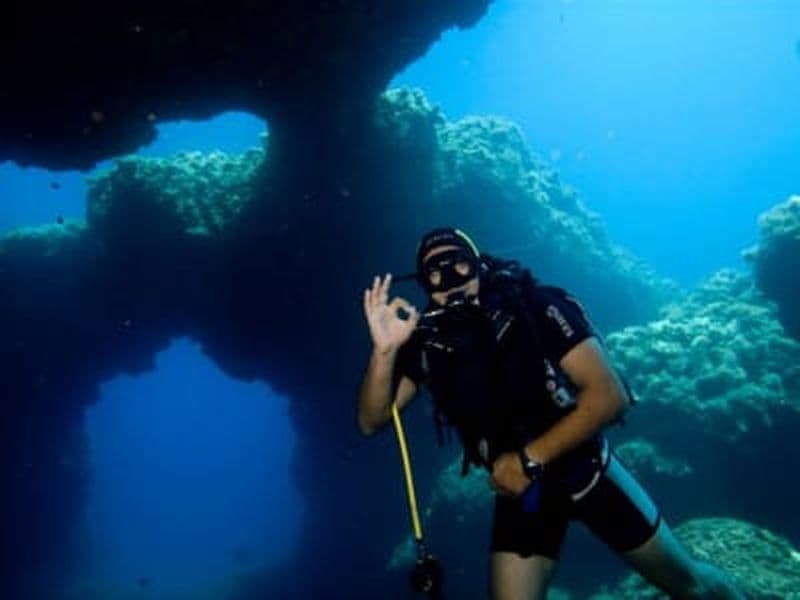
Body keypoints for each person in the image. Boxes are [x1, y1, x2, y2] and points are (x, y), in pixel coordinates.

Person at [358, 227, 743, 600]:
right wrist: (385, 352)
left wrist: (527, 460)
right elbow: (371, 421)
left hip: (583, 471)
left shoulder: (535, 306)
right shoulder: (430, 342)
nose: (450, 279)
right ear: (424, 285)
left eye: (457, 264)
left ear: (478, 263)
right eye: (435, 272)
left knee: (692, 587)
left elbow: (610, 397)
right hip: (522, 492)